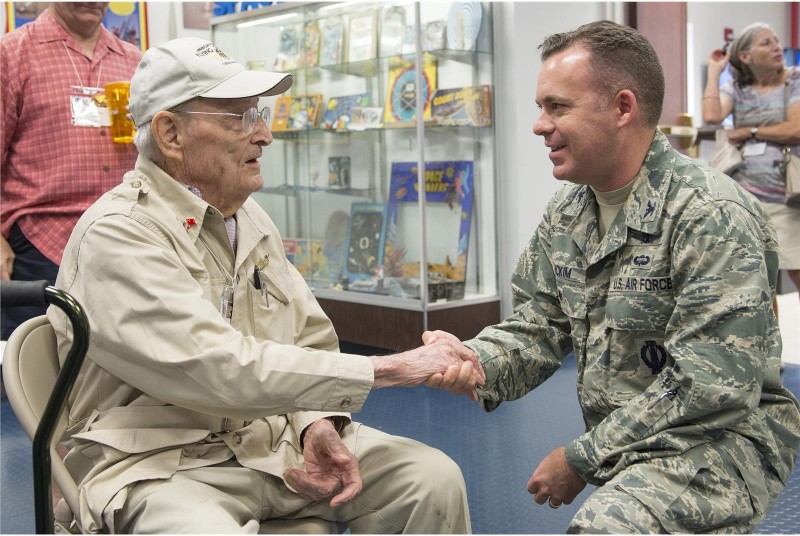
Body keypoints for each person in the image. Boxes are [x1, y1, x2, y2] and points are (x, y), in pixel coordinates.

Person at [47, 37, 481, 534]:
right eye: (239, 117)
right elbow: (215, 368)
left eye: (259, 113)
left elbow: (307, 335)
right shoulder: (119, 233)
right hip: (158, 463)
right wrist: (392, 368)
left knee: (430, 480)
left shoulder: (246, 217)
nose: (264, 134)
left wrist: (317, 423)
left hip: (264, 440)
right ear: (170, 134)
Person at [426, 20, 800, 533]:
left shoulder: (709, 214)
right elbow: (539, 323)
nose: (539, 124)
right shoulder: (569, 211)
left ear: (623, 108)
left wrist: (580, 458)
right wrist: (474, 359)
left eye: (557, 107)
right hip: (632, 440)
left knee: (607, 528)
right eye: (541, 107)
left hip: (722, 441)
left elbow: (711, 387)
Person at [1, 2, 142, 340]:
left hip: (127, 241)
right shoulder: (12, 55)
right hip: (40, 246)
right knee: (30, 377)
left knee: (119, 378)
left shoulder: (135, 61)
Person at [703, 22, 800, 300]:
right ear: (745, 56)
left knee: (797, 270)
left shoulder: (794, 80)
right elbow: (712, 114)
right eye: (766, 43)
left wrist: (751, 131)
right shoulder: (737, 87)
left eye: (776, 40)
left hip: (787, 197)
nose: (776, 47)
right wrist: (713, 71)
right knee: (762, 281)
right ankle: (770, 343)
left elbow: (795, 129)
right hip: (748, 199)